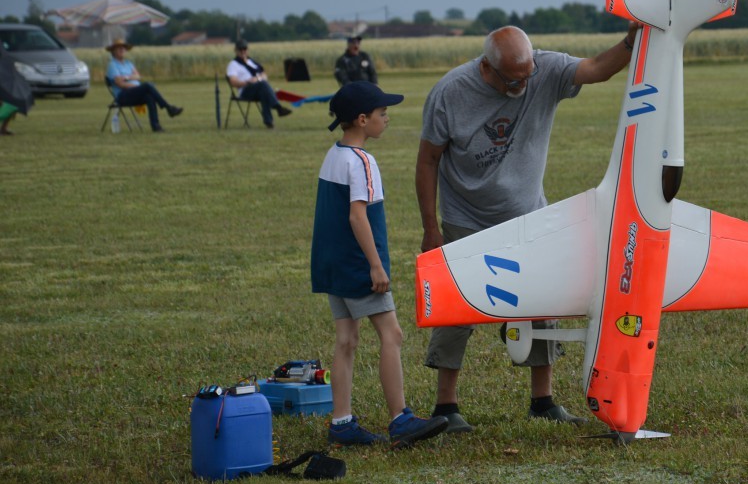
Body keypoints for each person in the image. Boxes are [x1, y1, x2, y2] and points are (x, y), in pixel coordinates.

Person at [416, 23, 640, 433]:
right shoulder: (449, 93)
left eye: (527, 76)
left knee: (542, 304)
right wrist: (431, 229)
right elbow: (428, 160)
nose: (522, 85)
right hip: (467, 218)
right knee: (457, 310)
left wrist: (630, 41)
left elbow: (596, 68)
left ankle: (543, 400)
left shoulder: (544, 69)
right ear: (487, 68)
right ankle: (445, 406)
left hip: (529, 216)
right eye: (512, 80)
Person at [311, 80, 449, 448]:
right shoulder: (362, 162)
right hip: (358, 265)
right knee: (392, 334)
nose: (386, 118)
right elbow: (358, 216)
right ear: (362, 119)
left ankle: (341, 422)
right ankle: (400, 418)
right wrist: (375, 265)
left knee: (346, 339)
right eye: (382, 113)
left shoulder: (334, 155)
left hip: (332, 265)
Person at [105, 39, 183, 132]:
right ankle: (168, 107)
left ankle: (156, 126)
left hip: (135, 93)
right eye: (119, 48)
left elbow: (138, 76)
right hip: (123, 96)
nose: (122, 50)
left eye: (123, 48)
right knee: (147, 86)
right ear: (113, 51)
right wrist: (135, 84)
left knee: (149, 97)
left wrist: (126, 77)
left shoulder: (128, 63)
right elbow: (120, 83)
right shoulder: (112, 65)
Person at [226, 40, 292, 129]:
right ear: (236, 50)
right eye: (240, 49)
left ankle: (269, 122)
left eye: (244, 49)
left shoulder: (252, 62)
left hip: (259, 88)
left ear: (247, 50)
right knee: (263, 85)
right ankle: (278, 107)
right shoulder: (233, 64)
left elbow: (264, 75)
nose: (243, 51)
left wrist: (257, 79)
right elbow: (233, 82)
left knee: (264, 90)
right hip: (245, 90)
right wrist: (248, 82)